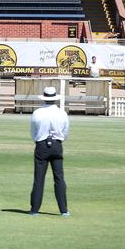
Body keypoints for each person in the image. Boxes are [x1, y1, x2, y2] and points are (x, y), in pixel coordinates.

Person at [29, 86, 70, 217]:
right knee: (59, 178)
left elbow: (33, 132)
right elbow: (65, 132)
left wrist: (39, 140)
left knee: (39, 179)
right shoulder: (62, 113)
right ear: (54, 99)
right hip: (57, 144)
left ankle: (35, 209)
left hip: (41, 144)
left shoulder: (37, 113)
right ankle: (63, 210)